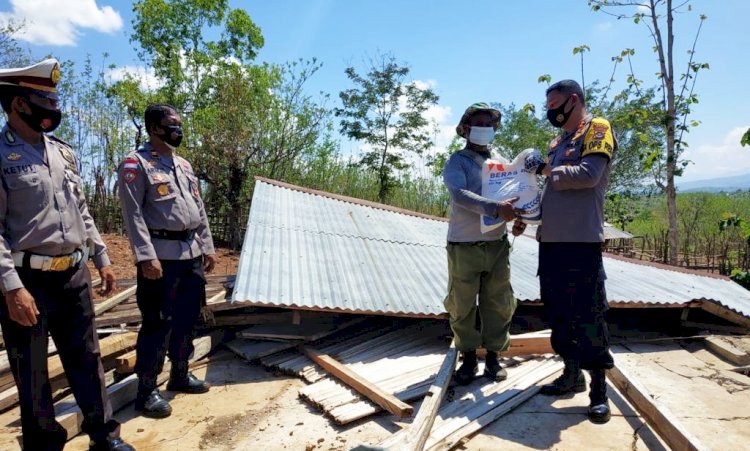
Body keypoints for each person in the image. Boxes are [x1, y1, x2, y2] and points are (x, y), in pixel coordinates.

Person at [0, 59, 134, 450]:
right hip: (28, 281)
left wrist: (102, 258)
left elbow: (82, 211)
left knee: (87, 359)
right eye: (44, 99)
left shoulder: (63, 153)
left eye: (54, 98)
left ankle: (104, 436)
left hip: (73, 275)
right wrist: (11, 288)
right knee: (33, 373)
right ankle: (44, 445)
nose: (54, 107)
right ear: (18, 104)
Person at [118, 104, 217, 419]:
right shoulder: (137, 164)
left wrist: (208, 246)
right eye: (172, 125)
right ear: (154, 129)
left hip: (191, 255)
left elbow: (198, 210)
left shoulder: (184, 166)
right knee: (157, 324)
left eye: (179, 124)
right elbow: (132, 215)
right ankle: (147, 391)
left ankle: (180, 372)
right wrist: (146, 256)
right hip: (160, 258)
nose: (179, 130)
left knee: (188, 318)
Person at [534, 79, 616, 424]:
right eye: (548, 107)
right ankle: (571, 374)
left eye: (555, 106)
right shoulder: (558, 142)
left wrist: (548, 171)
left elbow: (589, 175)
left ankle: (599, 390)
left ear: (574, 100)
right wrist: (524, 212)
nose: (551, 112)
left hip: (581, 241)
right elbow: (551, 192)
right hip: (551, 241)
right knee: (558, 313)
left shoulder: (597, 129)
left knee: (589, 313)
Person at [442, 102, 523, 385]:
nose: (485, 129)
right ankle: (467, 359)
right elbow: (459, 195)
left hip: (497, 244)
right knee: (463, 305)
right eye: (478, 124)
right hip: (464, 244)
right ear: (465, 129)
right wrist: (495, 208)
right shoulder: (457, 161)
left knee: (498, 302)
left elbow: (514, 194)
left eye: (489, 124)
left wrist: (519, 217)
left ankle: (493, 358)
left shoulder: (500, 160)